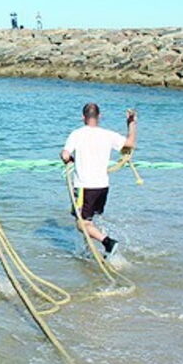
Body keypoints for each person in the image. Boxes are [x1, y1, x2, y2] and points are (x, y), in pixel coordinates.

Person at [60, 103, 138, 256]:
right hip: (102, 186)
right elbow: (130, 144)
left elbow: (65, 155)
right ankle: (89, 250)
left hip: (84, 186)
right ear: (99, 116)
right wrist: (131, 124)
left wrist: (67, 159)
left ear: (83, 117)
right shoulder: (108, 134)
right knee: (89, 220)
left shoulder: (77, 134)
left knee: (82, 224)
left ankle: (108, 243)